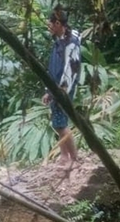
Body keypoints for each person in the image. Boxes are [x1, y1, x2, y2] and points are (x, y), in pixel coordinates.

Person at [41, 5, 81, 169]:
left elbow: (70, 70)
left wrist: (59, 91)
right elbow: (54, 67)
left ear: (58, 23)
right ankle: (64, 156)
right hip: (55, 86)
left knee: (60, 123)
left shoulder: (70, 43)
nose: (49, 27)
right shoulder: (60, 40)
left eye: (50, 24)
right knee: (58, 122)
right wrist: (48, 90)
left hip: (63, 88)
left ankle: (74, 158)